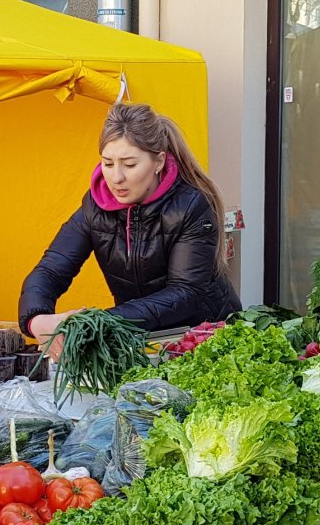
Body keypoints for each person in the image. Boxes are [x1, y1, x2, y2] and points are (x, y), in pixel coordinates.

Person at [18, 103, 241, 355]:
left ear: (158, 161)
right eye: (108, 163)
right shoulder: (95, 206)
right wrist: (36, 319)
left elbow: (185, 293)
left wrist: (98, 323)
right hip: (142, 338)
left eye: (130, 164)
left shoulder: (191, 205)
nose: (116, 178)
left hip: (202, 338)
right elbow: (51, 269)